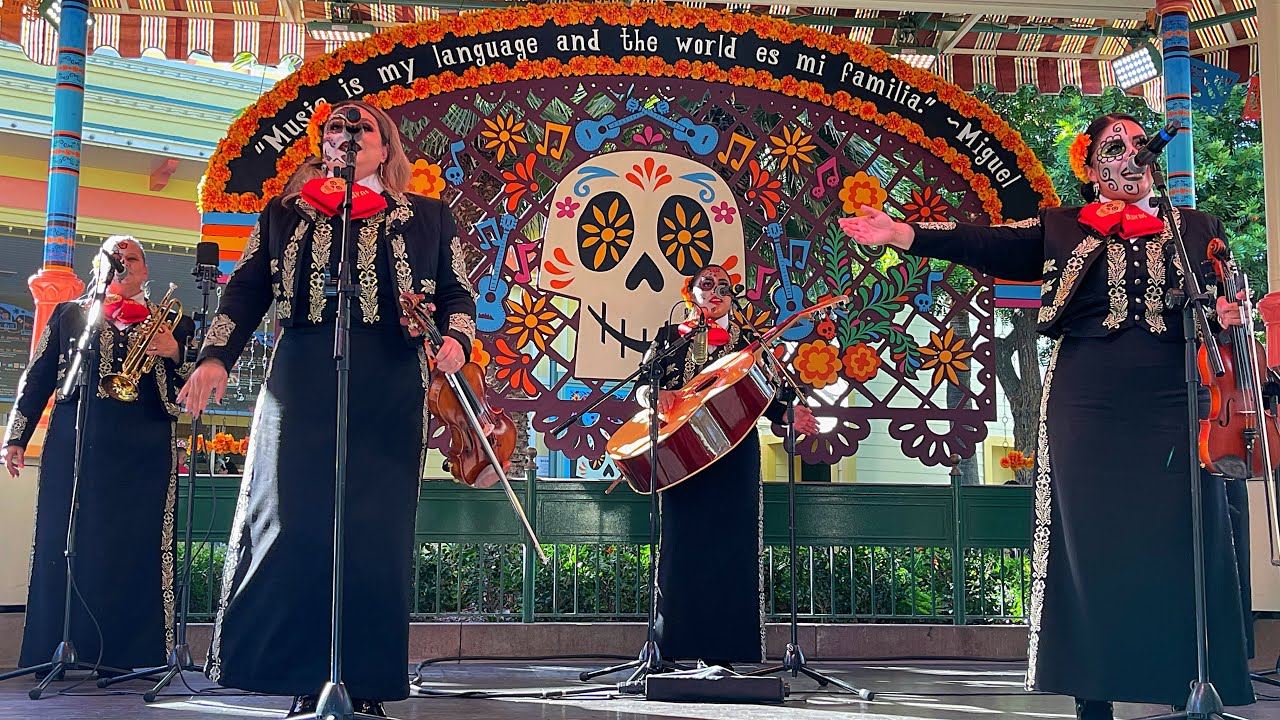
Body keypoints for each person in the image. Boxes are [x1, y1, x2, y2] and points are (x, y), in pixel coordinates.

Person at [840, 114, 1254, 718]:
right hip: (1088, 395)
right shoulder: (1062, 225)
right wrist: (904, 233)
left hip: (1174, 396)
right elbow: (986, 242)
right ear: (1089, 167)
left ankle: (1185, 685)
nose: (1133, 153)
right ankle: (1094, 693)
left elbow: (1221, 300)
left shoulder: (1195, 227)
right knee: (1091, 540)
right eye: (1117, 145)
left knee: (1182, 534)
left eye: (1141, 144)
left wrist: (1228, 315)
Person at [177, 98, 475, 717]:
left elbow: (454, 290)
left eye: (361, 127)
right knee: (299, 521)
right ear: (323, 144)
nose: (347, 135)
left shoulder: (427, 216)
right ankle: (302, 678)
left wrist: (457, 337)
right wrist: (213, 357)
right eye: (335, 127)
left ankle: (363, 683)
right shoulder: (286, 213)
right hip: (306, 367)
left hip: (390, 372)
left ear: (386, 147)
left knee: (374, 530)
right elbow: (249, 287)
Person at [2, 235, 194, 675]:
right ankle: (60, 649)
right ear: (99, 267)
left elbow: (193, 389)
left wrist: (177, 353)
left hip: (144, 446)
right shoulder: (72, 315)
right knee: (65, 539)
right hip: (76, 441)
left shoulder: (175, 325)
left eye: (132, 258)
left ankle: (137, 655)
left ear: (146, 270)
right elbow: (39, 375)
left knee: (139, 545)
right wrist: (16, 436)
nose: (124, 264)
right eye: (115, 258)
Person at [634, 263, 819, 667]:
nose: (715, 291)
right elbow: (642, 385)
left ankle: (729, 651)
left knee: (734, 546)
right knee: (681, 545)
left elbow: (772, 393)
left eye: (724, 286)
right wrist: (654, 396)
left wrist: (790, 414)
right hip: (684, 454)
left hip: (735, 451)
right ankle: (672, 648)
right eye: (707, 284)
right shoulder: (669, 338)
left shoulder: (750, 341)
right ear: (692, 292)